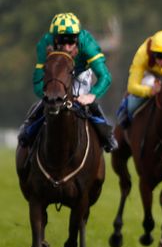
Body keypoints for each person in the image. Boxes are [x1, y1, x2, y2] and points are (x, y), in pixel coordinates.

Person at [19, 12, 117, 151]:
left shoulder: (87, 44)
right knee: (51, 97)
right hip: (57, 74)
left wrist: (91, 95)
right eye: (61, 41)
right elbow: (38, 82)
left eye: (71, 41)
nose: (66, 47)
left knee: (85, 100)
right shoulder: (45, 44)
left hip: (80, 73)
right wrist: (48, 95)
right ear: (54, 39)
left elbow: (105, 76)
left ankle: (106, 133)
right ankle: (29, 126)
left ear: (77, 39)